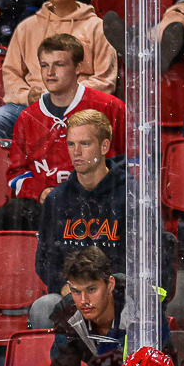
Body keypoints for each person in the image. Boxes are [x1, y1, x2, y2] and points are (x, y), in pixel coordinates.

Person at [0, 0, 116, 139]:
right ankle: (17, 170)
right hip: (33, 105)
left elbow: (105, 80)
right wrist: (27, 96)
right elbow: (11, 72)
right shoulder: (27, 27)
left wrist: (69, 97)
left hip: (79, 107)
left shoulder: (97, 27)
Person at [0, 35, 127, 225]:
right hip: (49, 204)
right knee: (1, 218)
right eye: (44, 65)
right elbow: (17, 173)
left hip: (97, 202)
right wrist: (40, 192)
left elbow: (133, 160)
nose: (50, 72)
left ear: (78, 67)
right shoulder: (27, 117)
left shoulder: (110, 106)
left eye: (59, 64)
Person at [28, 110, 127, 330]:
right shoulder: (56, 199)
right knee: (44, 306)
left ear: (104, 146)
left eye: (85, 143)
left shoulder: (130, 196)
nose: (77, 152)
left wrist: (104, 290)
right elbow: (45, 261)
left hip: (117, 296)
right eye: (71, 144)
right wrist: (68, 289)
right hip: (73, 296)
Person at [46, 245, 164, 366]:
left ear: (110, 285)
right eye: (76, 291)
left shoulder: (143, 307)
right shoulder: (68, 314)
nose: (83, 300)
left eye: (91, 290)